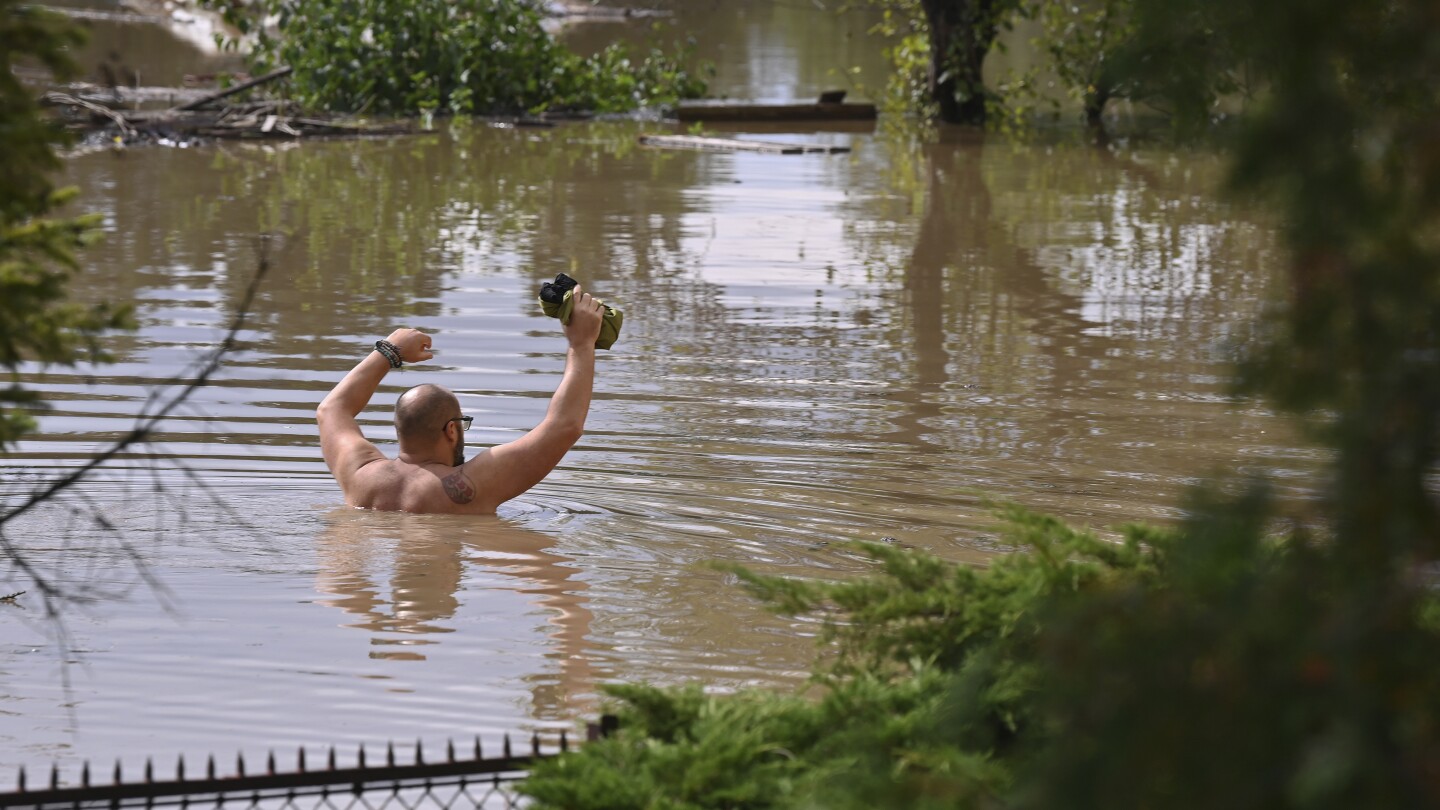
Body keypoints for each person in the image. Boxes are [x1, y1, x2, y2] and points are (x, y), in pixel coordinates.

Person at [316, 287, 606, 513]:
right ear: (451, 430)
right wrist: (581, 344)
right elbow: (564, 426)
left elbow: (331, 409)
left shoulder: (359, 474)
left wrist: (389, 351)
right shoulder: (475, 483)